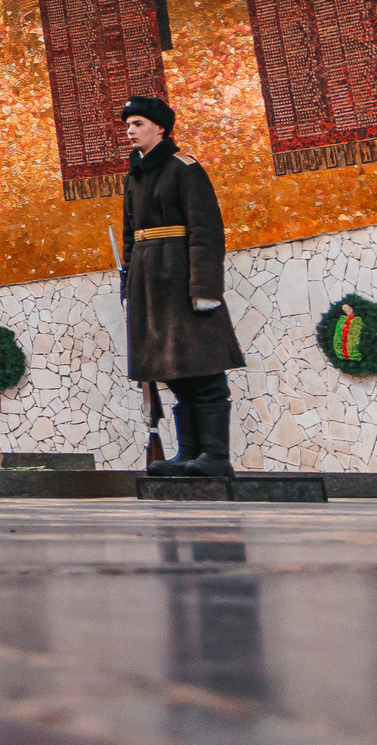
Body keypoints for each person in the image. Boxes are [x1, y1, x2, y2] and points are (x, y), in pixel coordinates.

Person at [120, 95, 245, 478]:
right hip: (149, 279)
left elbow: (206, 231)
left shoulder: (184, 168)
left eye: (138, 123)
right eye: (128, 124)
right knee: (173, 371)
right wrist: (129, 280)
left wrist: (204, 287)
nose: (130, 130)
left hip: (179, 276)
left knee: (203, 369)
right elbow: (130, 235)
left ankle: (216, 455)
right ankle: (189, 453)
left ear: (160, 127)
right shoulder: (135, 175)